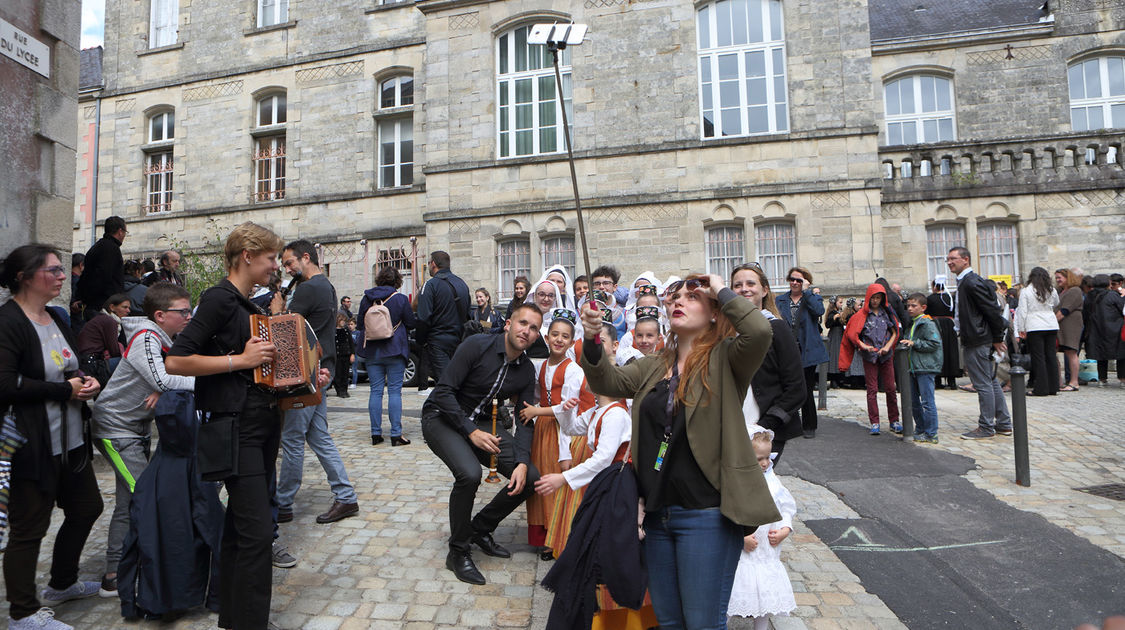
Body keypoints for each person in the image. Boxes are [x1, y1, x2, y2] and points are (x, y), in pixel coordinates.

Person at [578, 273, 778, 629]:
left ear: (715, 312)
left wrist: (719, 286)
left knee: (702, 623)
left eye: (693, 296)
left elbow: (759, 332)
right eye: (676, 297)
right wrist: (592, 339)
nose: (679, 301)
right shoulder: (654, 363)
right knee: (669, 622)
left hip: (706, 514)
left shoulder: (726, 359)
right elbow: (606, 380)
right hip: (658, 514)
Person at [167, 222, 330, 630]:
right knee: (258, 533)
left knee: (242, 530)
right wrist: (238, 360)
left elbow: (264, 373)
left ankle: (233, 617)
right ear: (247, 256)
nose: (277, 266)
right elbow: (177, 361)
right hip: (235, 427)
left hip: (260, 425)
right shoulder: (219, 300)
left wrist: (308, 378)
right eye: (272, 258)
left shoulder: (249, 307)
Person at [0, 244, 104, 630]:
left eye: (63, 269)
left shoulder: (56, 316)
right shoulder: (7, 321)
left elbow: (68, 366)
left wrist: (86, 382)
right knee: (29, 528)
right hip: (31, 444)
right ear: (24, 277)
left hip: (71, 440)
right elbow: (5, 384)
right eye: (54, 269)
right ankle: (22, 614)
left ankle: (61, 583)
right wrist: (65, 391)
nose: (63, 275)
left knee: (87, 506)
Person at [535, 322, 657, 630]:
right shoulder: (598, 411)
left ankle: (616, 619)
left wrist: (562, 478)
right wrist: (565, 409)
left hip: (616, 485)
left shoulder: (616, 413)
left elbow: (604, 457)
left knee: (604, 551)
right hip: (604, 485)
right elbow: (573, 427)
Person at [421, 303, 543, 586]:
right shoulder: (477, 345)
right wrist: (470, 432)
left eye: (534, 328)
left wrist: (522, 462)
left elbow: (525, 419)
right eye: (523, 323)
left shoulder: (525, 370)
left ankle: (479, 529)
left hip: (483, 425)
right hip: (442, 418)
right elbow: (443, 392)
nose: (527, 331)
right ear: (509, 323)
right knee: (469, 474)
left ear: (538, 336)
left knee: (530, 478)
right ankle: (458, 551)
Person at [89, 282, 195, 597]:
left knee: (129, 501)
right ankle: (153, 571)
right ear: (160, 315)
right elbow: (161, 377)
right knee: (147, 497)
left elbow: (161, 379)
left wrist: (163, 386)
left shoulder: (163, 339)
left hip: (133, 431)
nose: (189, 316)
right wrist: (199, 381)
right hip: (115, 429)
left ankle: (113, 574)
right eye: (183, 311)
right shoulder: (147, 339)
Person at [275, 240, 359, 525]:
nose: (287, 270)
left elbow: (286, 331)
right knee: (318, 435)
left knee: (293, 438)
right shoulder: (327, 286)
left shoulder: (309, 288)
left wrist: (277, 308)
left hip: (308, 371)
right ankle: (345, 496)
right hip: (322, 367)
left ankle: (283, 502)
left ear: (305, 257)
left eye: (289, 263)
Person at [518, 309, 586, 560]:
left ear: (571, 341)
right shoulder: (543, 365)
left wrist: (537, 410)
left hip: (563, 430)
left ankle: (558, 537)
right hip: (543, 431)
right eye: (555, 334)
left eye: (564, 336)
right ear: (546, 338)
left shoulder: (573, 370)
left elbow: (569, 407)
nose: (559, 339)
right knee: (540, 481)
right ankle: (543, 534)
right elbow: (538, 395)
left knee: (556, 481)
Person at [730, 263, 806, 461]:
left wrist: (764, 426)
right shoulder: (726, 335)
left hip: (765, 431)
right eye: (737, 285)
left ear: (764, 290)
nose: (744, 288)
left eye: (750, 283)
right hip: (731, 429)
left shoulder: (777, 329)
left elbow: (796, 388)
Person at [727, 427, 796, 629]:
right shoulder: (737, 483)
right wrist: (741, 538)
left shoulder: (773, 481)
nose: (765, 463)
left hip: (767, 551)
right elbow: (731, 513)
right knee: (735, 595)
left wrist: (785, 529)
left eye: (767, 457)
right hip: (744, 554)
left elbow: (786, 508)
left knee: (765, 600)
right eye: (758, 459)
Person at [945, 247, 1012, 440]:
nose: (950, 262)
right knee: (989, 381)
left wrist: (998, 338)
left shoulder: (971, 282)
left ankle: (986, 426)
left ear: (965, 260)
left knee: (983, 383)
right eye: (948, 259)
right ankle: (1003, 423)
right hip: (977, 337)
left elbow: (992, 310)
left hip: (978, 339)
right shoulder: (966, 282)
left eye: (953, 259)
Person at [357, 266, 417, 446]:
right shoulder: (399, 299)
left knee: (375, 391)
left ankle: (376, 433)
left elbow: (360, 324)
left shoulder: (366, 299)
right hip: (395, 349)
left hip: (373, 352)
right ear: (397, 281)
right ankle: (396, 434)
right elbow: (411, 323)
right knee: (394, 392)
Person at [774, 266, 828, 439]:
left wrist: (807, 292)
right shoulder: (780, 300)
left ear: (806, 282)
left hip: (808, 350)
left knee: (806, 388)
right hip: (788, 349)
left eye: (799, 280)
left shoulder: (813, 298)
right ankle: (789, 423)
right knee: (787, 387)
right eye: (792, 279)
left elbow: (819, 312)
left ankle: (809, 425)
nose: (795, 283)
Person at [839, 283, 900, 435]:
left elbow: (895, 332)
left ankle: (894, 420)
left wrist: (888, 346)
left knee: (890, 388)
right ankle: (875, 422)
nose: (875, 301)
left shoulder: (886, 313)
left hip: (885, 355)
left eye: (878, 298)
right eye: (873, 298)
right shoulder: (862, 315)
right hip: (870, 356)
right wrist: (863, 346)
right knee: (871, 389)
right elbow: (853, 335)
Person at [416, 251, 471, 387]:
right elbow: (468, 313)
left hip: (438, 341)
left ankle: (450, 408)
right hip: (459, 341)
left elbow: (423, 318)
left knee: (445, 386)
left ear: (433, 264)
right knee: (457, 382)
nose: (428, 266)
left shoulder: (430, 285)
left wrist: (421, 341)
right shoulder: (462, 284)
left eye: (429, 263)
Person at [901, 293, 942, 443]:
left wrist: (915, 343)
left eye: (914, 306)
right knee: (914, 401)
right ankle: (920, 428)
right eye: (908, 306)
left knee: (927, 401)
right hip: (914, 367)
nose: (910, 309)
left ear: (923, 307)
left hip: (925, 367)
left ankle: (931, 433)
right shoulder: (913, 322)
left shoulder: (927, 323)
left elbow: (934, 343)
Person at [1016, 267, 1060, 396]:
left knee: (1038, 357)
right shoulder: (1051, 290)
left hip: (1034, 325)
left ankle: (1041, 388)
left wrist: (1021, 329)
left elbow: (1022, 311)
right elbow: (1057, 303)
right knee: (1051, 355)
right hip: (1051, 324)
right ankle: (1053, 386)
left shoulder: (1026, 291)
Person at [77, 216, 127, 323]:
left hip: (95, 303)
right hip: (103, 305)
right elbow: (103, 276)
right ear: (120, 231)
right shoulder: (111, 248)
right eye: (125, 232)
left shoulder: (98, 246)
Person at [76, 293, 131, 387]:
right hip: (91, 364)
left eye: (128, 308)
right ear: (112, 307)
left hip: (86, 361)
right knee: (129, 365)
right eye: (124, 307)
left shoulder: (102, 318)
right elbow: (114, 351)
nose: (128, 311)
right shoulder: (109, 321)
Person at [1083, 274, 1125, 385]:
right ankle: (1122, 379)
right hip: (1114, 328)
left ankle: (1102, 379)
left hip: (1096, 329)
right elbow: (1122, 308)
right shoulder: (1112, 295)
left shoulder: (1089, 296)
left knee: (1100, 355)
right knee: (1121, 354)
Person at [926, 277, 960, 390]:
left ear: (935, 287)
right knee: (951, 350)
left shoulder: (930, 299)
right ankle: (952, 381)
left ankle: (938, 380)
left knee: (937, 351)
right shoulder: (949, 297)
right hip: (950, 326)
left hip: (936, 325)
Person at [1054, 268, 1084, 391]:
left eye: (1059, 277)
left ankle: (1074, 382)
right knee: (1055, 351)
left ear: (1068, 277)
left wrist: (1051, 322)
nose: (1057, 280)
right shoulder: (1061, 291)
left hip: (1070, 325)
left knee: (1071, 352)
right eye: (1056, 278)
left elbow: (1065, 310)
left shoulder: (1075, 290)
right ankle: (1059, 381)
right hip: (1060, 326)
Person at [332, 313, 355, 398]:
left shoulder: (346, 331)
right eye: (342, 320)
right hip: (337, 355)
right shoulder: (333, 331)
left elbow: (351, 342)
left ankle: (344, 390)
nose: (343, 322)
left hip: (346, 354)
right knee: (338, 373)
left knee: (345, 374)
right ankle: (339, 390)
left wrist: (352, 353)